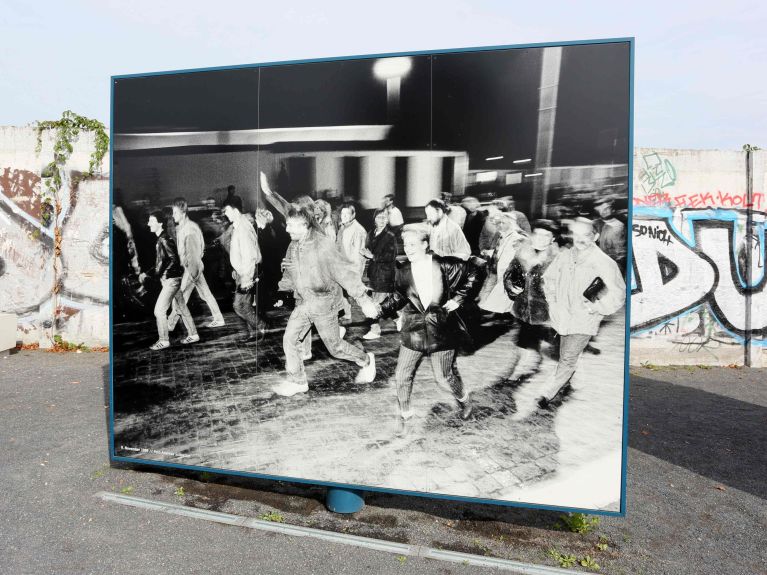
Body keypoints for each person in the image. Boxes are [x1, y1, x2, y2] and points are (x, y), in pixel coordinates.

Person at [376, 224, 481, 436]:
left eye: (414, 244)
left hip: (441, 329)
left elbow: (476, 270)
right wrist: (378, 309)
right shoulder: (403, 271)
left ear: (425, 245)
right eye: (406, 244)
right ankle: (406, 415)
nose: (409, 248)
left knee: (444, 377)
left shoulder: (444, 265)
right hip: (414, 329)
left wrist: (459, 299)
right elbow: (398, 297)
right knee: (401, 375)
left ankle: (465, 400)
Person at [273, 206, 379, 397]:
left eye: (291, 225)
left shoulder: (322, 244)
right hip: (304, 301)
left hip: (324, 302)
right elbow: (289, 270)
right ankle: (298, 381)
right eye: (287, 224)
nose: (287, 229)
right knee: (289, 339)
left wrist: (364, 300)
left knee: (335, 348)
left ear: (304, 224)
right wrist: (282, 290)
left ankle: (366, 360)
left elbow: (344, 272)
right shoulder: (293, 245)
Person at [537, 217, 626, 407]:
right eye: (576, 235)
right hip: (562, 316)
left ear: (595, 236)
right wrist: (552, 301)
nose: (580, 240)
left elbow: (618, 293)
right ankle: (578, 382)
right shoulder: (565, 256)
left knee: (567, 357)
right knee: (569, 353)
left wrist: (596, 307)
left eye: (586, 235)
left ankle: (546, 393)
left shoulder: (604, 262)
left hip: (584, 319)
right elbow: (549, 279)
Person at [503, 219, 560, 384]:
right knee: (525, 337)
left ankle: (560, 377)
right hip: (523, 306)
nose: (541, 238)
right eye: (538, 234)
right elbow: (510, 273)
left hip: (545, 310)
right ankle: (524, 363)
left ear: (553, 239)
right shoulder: (522, 252)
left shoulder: (558, 258)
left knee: (538, 339)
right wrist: (511, 287)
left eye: (546, 235)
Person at [139, 211, 199, 350]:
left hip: (171, 280)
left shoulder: (164, 239)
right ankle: (194, 334)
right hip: (172, 279)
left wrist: (164, 275)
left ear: (159, 223)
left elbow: (174, 260)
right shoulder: (162, 239)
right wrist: (149, 273)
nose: (148, 224)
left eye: (151, 221)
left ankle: (164, 340)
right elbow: (162, 262)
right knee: (181, 307)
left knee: (159, 311)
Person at [167, 197, 226, 330]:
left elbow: (193, 254)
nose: (173, 215)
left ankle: (170, 324)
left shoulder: (189, 229)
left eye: (175, 212)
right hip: (194, 267)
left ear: (183, 213)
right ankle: (218, 318)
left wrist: (191, 273)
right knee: (205, 294)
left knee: (181, 296)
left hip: (191, 268)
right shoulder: (185, 228)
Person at [221, 196, 265, 343]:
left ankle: (261, 326)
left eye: (226, 210)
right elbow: (238, 251)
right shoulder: (238, 225)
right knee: (245, 305)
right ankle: (254, 334)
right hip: (242, 272)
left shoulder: (243, 227)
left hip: (247, 273)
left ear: (234, 209)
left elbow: (250, 255)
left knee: (238, 306)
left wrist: (246, 278)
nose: (225, 214)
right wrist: (236, 268)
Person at [361, 209, 398, 340]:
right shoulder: (371, 233)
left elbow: (391, 256)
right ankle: (399, 318)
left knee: (375, 304)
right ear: (374, 219)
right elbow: (367, 248)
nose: (382, 220)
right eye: (379, 217)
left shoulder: (390, 236)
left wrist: (373, 256)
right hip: (373, 273)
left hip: (384, 274)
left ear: (387, 220)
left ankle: (375, 330)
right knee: (381, 302)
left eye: (384, 217)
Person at [478, 212, 525, 314]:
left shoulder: (517, 239)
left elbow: (515, 259)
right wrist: (490, 253)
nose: (499, 225)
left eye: (503, 223)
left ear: (512, 224)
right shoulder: (501, 236)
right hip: (495, 273)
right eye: (498, 222)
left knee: (500, 304)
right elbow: (501, 253)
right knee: (488, 301)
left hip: (507, 276)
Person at [335, 202, 368, 323]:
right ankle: (347, 314)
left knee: (358, 296)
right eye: (342, 213)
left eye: (347, 214)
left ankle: (376, 323)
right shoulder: (342, 227)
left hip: (352, 269)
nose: (343, 216)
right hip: (342, 267)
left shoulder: (358, 230)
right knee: (343, 293)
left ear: (353, 215)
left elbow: (358, 255)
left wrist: (354, 273)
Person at [593, 197, 627, 271]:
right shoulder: (602, 225)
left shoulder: (618, 226)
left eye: (607, 208)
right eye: (600, 209)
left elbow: (620, 251)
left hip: (613, 263)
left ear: (613, 209)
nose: (604, 211)